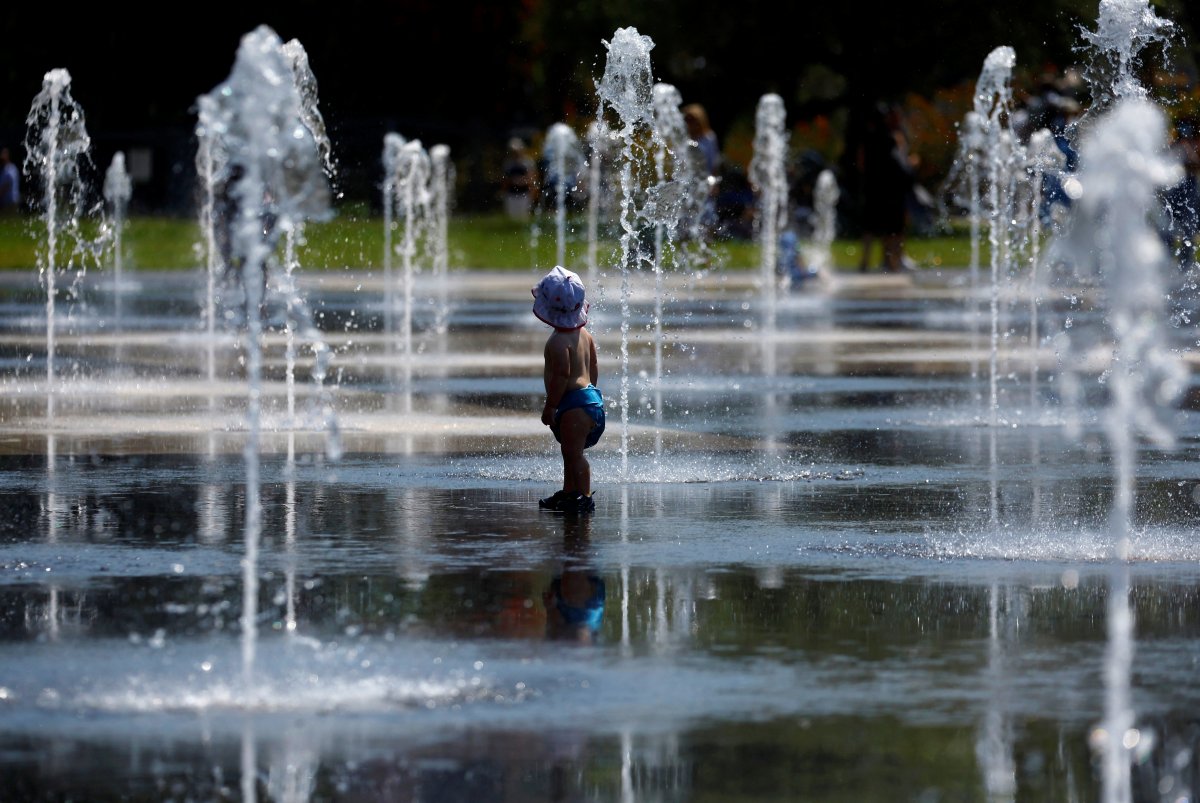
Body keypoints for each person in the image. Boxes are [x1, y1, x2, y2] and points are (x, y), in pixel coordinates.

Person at [532, 266, 603, 514]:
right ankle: (570, 491)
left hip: (574, 405)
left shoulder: (557, 342)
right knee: (570, 452)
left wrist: (551, 406)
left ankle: (584, 496)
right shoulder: (586, 335)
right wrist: (592, 392)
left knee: (574, 455)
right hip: (589, 400)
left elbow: (562, 375)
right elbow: (593, 366)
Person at [851, 102, 916, 273]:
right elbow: (902, 161)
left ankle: (865, 262)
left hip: (872, 187)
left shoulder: (867, 138)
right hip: (891, 188)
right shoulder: (893, 137)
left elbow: (861, 163)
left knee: (870, 227)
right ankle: (892, 262)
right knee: (893, 227)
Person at [500, 137, 538, 220]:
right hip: (511, 195)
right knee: (512, 218)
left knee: (524, 218)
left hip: (524, 194)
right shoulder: (508, 164)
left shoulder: (528, 162)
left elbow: (532, 179)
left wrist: (522, 181)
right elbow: (505, 180)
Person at [0, 147, 20, 215]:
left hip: (10, 201)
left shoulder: (11, 168)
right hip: (6, 201)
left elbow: (7, 184)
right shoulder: (4, 169)